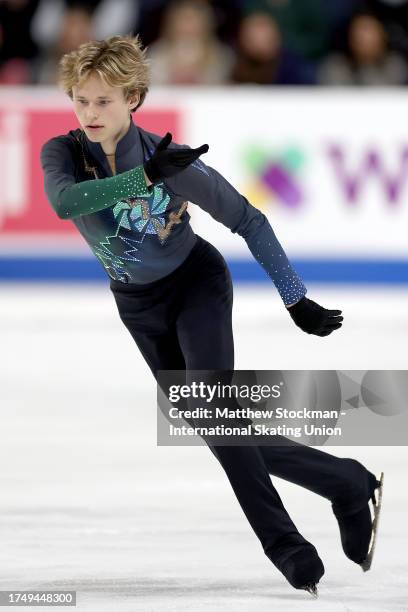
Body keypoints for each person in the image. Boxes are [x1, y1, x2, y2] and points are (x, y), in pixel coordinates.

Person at [40, 34, 383, 596]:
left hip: (196, 287)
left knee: (219, 420)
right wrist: (144, 179)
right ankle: (346, 482)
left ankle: (289, 549)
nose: (91, 112)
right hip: (138, 305)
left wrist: (295, 296)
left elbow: (249, 219)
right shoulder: (62, 152)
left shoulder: (169, 161)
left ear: (134, 98)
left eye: (104, 100)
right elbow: (65, 202)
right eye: (81, 100)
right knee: (216, 426)